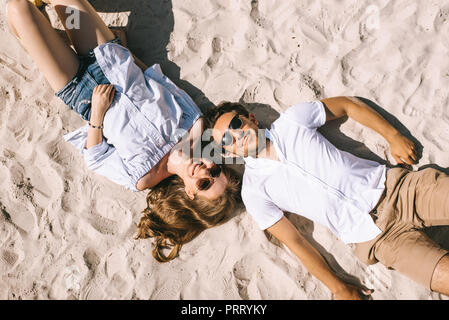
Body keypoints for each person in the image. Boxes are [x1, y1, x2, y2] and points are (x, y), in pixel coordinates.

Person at [208, 97, 449, 299]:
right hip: (377, 238)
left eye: (235, 123)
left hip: (400, 189)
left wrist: (392, 135)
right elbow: (296, 243)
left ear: (251, 118)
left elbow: (347, 105)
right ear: (229, 152)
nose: (236, 135)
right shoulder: (254, 192)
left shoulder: (292, 121)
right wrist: (339, 288)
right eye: (226, 140)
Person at [6, 0, 231, 200]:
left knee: (18, 9)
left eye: (204, 183)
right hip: (106, 56)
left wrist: (97, 114)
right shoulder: (193, 124)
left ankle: (52, 37)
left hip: (76, 86)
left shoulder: (142, 177)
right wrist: (125, 52)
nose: (205, 170)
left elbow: (96, 157)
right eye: (215, 171)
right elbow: (154, 77)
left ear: (190, 193)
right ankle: (63, 35)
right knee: (62, 3)